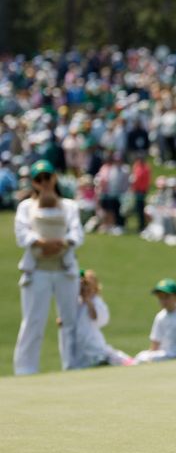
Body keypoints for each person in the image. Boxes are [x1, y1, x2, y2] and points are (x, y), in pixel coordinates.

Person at [13, 160, 85, 375]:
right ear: (34, 182)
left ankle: (71, 366)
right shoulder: (25, 207)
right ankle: (25, 369)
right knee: (33, 321)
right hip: (38, 269)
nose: (44, 182)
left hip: (64, 267)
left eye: (48, 177)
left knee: (69, 321)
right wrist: (42, 243)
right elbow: (22, 234)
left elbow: (77, 233)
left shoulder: (70, 206)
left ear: (54, 178)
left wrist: (62, 243)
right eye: (39, 179)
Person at [73, 269, 133, 368]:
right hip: (81, 346)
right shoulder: (77, 303)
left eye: (89, 286)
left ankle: (128, 362)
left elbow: (97, 317)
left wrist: (88, 302)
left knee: (109, 355)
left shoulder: (96, 302)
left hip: (94, 342)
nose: (86, 290)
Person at [133, 278, 176, 363]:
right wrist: (150, 356)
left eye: (167, 297)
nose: (163, 301)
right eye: (160, 297)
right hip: (164, 354)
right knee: (141, 356)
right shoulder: (160, 316)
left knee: (141, 359)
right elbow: (155, 342)